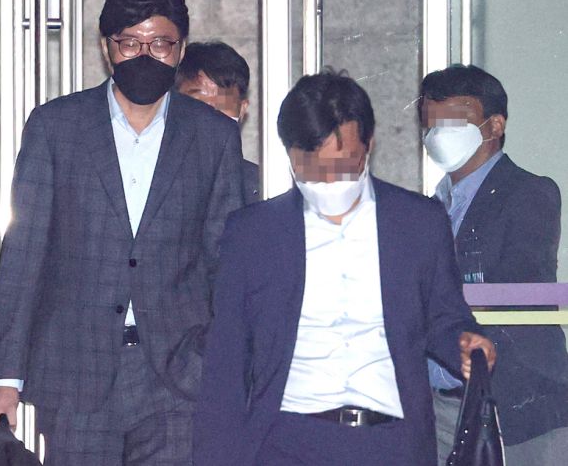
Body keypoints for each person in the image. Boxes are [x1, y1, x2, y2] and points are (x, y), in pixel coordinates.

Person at [0, 0, 245, 465]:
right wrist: (6, 377)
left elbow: (226, 261)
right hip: (76, 371)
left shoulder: (213, 136)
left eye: (160, 44)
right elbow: (24, 254)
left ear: (180, 49)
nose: (145, 55)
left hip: (177, 376)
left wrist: (219, 360)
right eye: (130, 43)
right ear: (108, 48)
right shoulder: (56, 127)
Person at [193, 69, 495, 466]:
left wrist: (464, 344)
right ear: (291, 156)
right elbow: (226, 365)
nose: (332, 181)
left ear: (369, 146)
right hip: (285, 442)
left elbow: (444, 316)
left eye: (347, 164)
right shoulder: (253, 234)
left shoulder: (419, 222)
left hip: (392, 443)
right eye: (316, 169)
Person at [420, 64, 568, 465]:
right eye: (432, 123)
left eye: (454, 119)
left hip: (515, 407)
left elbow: (520, 288)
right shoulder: (428, 208)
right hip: (437, 408)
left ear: (495, 125)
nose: (439, 133)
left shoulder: (528, 193)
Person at [176, 41, 260, 203]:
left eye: (222, 108)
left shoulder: (263, 187)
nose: (211, 120)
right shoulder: (152, 182)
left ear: (242, 110)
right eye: (200, 106)